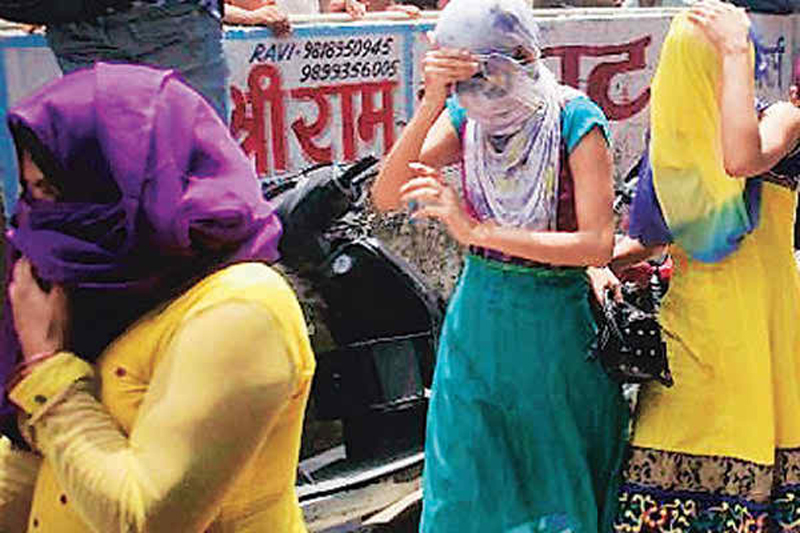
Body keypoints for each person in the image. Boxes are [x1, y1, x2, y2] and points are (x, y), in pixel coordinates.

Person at [0, 62, 315, 532]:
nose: (37, 220)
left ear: (123, 184)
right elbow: (39, 463)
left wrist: (47, 365)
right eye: (30, 192)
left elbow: (144, 520)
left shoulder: (241, 309)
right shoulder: (104, 289)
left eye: (51, 192)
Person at [371, 0, 629, 531]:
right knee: (465, 474)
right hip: (478, 320)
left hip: (553, 325)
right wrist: (430, 104)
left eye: (483, 73)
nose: (477, 91)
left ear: (523, 55)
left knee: (553, 477)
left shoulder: (576, 120)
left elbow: (596, 244)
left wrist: (476, 232)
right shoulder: (466, 116)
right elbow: (388, 193)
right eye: (462, 79)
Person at [600, 3, 800, 531]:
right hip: (691, 336)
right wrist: (580, 262)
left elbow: (742, 160)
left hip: (760, 338)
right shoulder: (674, 154)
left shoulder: (781, 118)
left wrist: (736, 48)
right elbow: (647, 242)